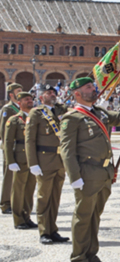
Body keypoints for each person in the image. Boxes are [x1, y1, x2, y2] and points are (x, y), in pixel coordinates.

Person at [59, 76, 120, 262]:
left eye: (92, 86)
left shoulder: (99, 113)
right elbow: (67, 150)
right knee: (83, 217)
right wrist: (74, 177)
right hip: (87, 174)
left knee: (94, 217)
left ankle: (91, 255)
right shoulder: (72, 117)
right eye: (88, 87)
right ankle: (79, 260)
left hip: (104, 172)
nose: (94, 89)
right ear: (77, 93)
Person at [24, 84, 69, 242]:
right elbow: (29, 140)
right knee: (44, 197)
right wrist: (33, 163)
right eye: (48, 92)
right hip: (44, 161)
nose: (52, 94)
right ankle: (44, 231)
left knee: (55, 198)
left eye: (53, 92)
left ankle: (53, 229)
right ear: (41, 96)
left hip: (59, 161)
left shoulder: (61, 111)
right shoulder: (36, 113)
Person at [5, 91, 38, 230]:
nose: (30, 101)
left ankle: (27, 216)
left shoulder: (35, 118)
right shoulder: (14, 120)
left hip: (33, 160)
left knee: (29, 190)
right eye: (26, 99)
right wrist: (10, 161)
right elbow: (8, 142)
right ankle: (18, 219)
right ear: (19, 103)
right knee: (18, 190)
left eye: (31, 99)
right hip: (20, 159)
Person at [1, 82, 22, 214]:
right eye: (18, 91)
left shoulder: (19, 108)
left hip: (20, 147)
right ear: (11, 94)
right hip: (11, 146)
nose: (20, 93)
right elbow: (3, 130)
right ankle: (5, 203)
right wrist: (7, 146)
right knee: (9, 176)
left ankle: (15, 201)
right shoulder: (8, 109)